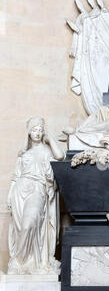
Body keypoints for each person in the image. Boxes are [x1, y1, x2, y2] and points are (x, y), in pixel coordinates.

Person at [7, 117, 64, 275]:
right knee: (20, 228)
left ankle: (20, 260)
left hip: (37, 189)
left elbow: (60, 156)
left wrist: (50, 137)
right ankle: (21, 265)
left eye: (40, 130)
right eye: (34, 130)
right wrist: (10, 196)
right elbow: (15, 177)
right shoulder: (23, 153)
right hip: (20, 190)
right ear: (29, 133)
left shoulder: (46, 151)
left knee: (29, 224)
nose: (37, 133)